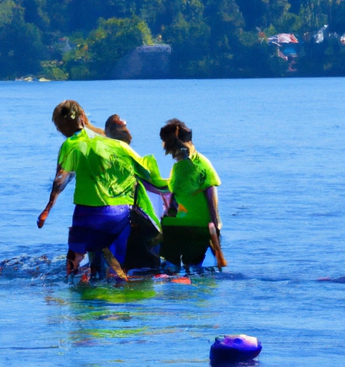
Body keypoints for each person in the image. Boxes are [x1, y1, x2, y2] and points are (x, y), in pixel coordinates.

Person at [37, 100, 167, 278]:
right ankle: (122, 286)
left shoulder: (71, 145)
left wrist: (47, 209)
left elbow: (61, 179)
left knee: (80, 266)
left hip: (87, 214)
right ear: (83, 117)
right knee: (118, 266)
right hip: (120, 212)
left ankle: (89, 290)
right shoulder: (116, 144)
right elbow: (148, 173)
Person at [159, 119, 222, 270]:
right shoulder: (204, 164)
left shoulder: (180, 168)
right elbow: (212, 200)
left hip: (177, 228)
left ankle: (170, 268)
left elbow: (173, 202)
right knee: (193, 268)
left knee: (171, 265)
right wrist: (216, 228)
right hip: (199, 227)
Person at [104, 113, 165, 273]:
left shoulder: (100, 151)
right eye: (124, 128)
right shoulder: (125, 151)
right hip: (125, 211)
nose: (128, 132)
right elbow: (152, 179)